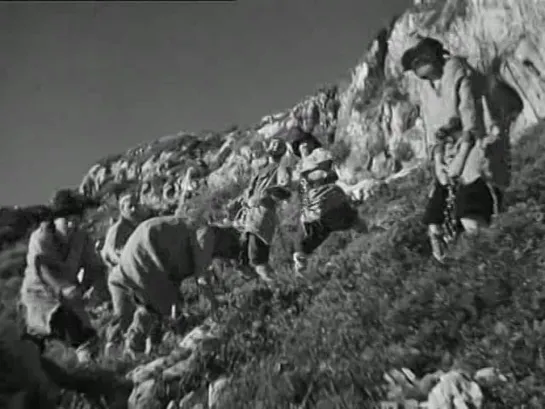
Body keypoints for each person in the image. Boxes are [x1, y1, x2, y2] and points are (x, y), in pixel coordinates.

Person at [400, 36, 512, 261]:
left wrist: (461, 156)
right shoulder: (426, 90)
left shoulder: (457, 72)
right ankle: (453, 266)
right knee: (435, 220)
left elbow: (471, 118)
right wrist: (439, 164)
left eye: (420, 60)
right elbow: (432, 132)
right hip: (449, 155)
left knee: (470, 210)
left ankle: (495, 258)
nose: (417, 67)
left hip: (475, 147)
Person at [103, 214, 222, 358]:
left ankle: (140, 347)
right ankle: (126, 347)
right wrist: (214, 304)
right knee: (152, 307)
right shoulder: (205, 234)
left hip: (145, 260)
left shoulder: (191, 227)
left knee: (152, 307)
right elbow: (202, 276)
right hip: (136, 263)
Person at [19, 189, 104, 363]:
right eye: (67, 220)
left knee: (87, 337)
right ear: (55, 220)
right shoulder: (41, 237)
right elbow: (42, 268)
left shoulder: (82, 238)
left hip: (69, 296)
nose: (72, 224)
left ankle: (89, 373)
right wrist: (63, 288)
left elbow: (93, 267)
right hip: (40, 296)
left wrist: (87, 287)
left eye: (76, 219)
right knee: (37, 343)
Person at [292, 148, 367, 274]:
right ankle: (368, 236)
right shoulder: (328, 173)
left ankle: (300, 259)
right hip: (333, 208)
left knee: (306, 241)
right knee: (354, 220)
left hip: (314, 217)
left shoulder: (304, 181)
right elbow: (342, 189)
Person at [232, 137, 292, 284]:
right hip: (250, 216)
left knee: (257, 258)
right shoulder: (261, 170)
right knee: (242, 259)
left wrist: (263, 196)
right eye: (273, 143)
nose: (274, 146)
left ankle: (279, 287)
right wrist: (244, 198)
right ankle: (266, 287)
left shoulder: (281, 168)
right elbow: (252, 191)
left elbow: (286, 189)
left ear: (282, 151)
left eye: (278, 145)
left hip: (262, 215)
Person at [101, 193, 144, 273]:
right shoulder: (117, 229)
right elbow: (115, 254)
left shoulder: (134, 226)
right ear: (122, 209)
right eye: (130, 207)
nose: (134, 209)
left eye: (136, 206)